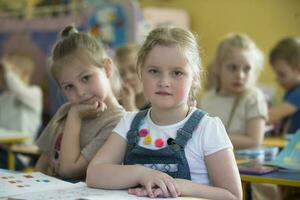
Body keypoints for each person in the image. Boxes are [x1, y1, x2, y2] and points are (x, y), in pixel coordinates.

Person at [86, 26, 242, 200]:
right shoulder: (129, 123)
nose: (164, 82)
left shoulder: (207, 128)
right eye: (154, 71)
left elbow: (232, 195)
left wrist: (178, 186)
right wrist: (142, 174)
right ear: (141, 73)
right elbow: (94, 174)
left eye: (177, 73)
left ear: (194, 78)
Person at [34, 25, 125, 180]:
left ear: (107, 68)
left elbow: (69, 171)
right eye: (69, 87)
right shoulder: (65, 110)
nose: (80, 92)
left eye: (86, 78)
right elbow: (42, 165)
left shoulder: (119, 122)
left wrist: (75, 117)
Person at [201, 33, 268, 150]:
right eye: (232, 67)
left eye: (247, 69)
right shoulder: (207, 99)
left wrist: (211, 138)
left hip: (245, 165)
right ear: (218, 67)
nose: (240, 75)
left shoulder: (253, 98)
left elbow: (255, 141)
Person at [0, 52, 42, 170]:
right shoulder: (4, 98)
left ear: (25, 73)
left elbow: (18, 90)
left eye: (11, 71)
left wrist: (8, 70)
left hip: (19, 155)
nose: (5, 75)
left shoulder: (34, 93)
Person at [268, 37, 300, 136]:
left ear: (298, 69)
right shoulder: (290, 92)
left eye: (282, 74)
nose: (277, 79)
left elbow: (270, 116)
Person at [115, 43, 148, 111]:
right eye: (122, 74)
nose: (128, 77)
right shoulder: (117, 105)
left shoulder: (158, 105)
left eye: (133, 70)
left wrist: (130, 107)